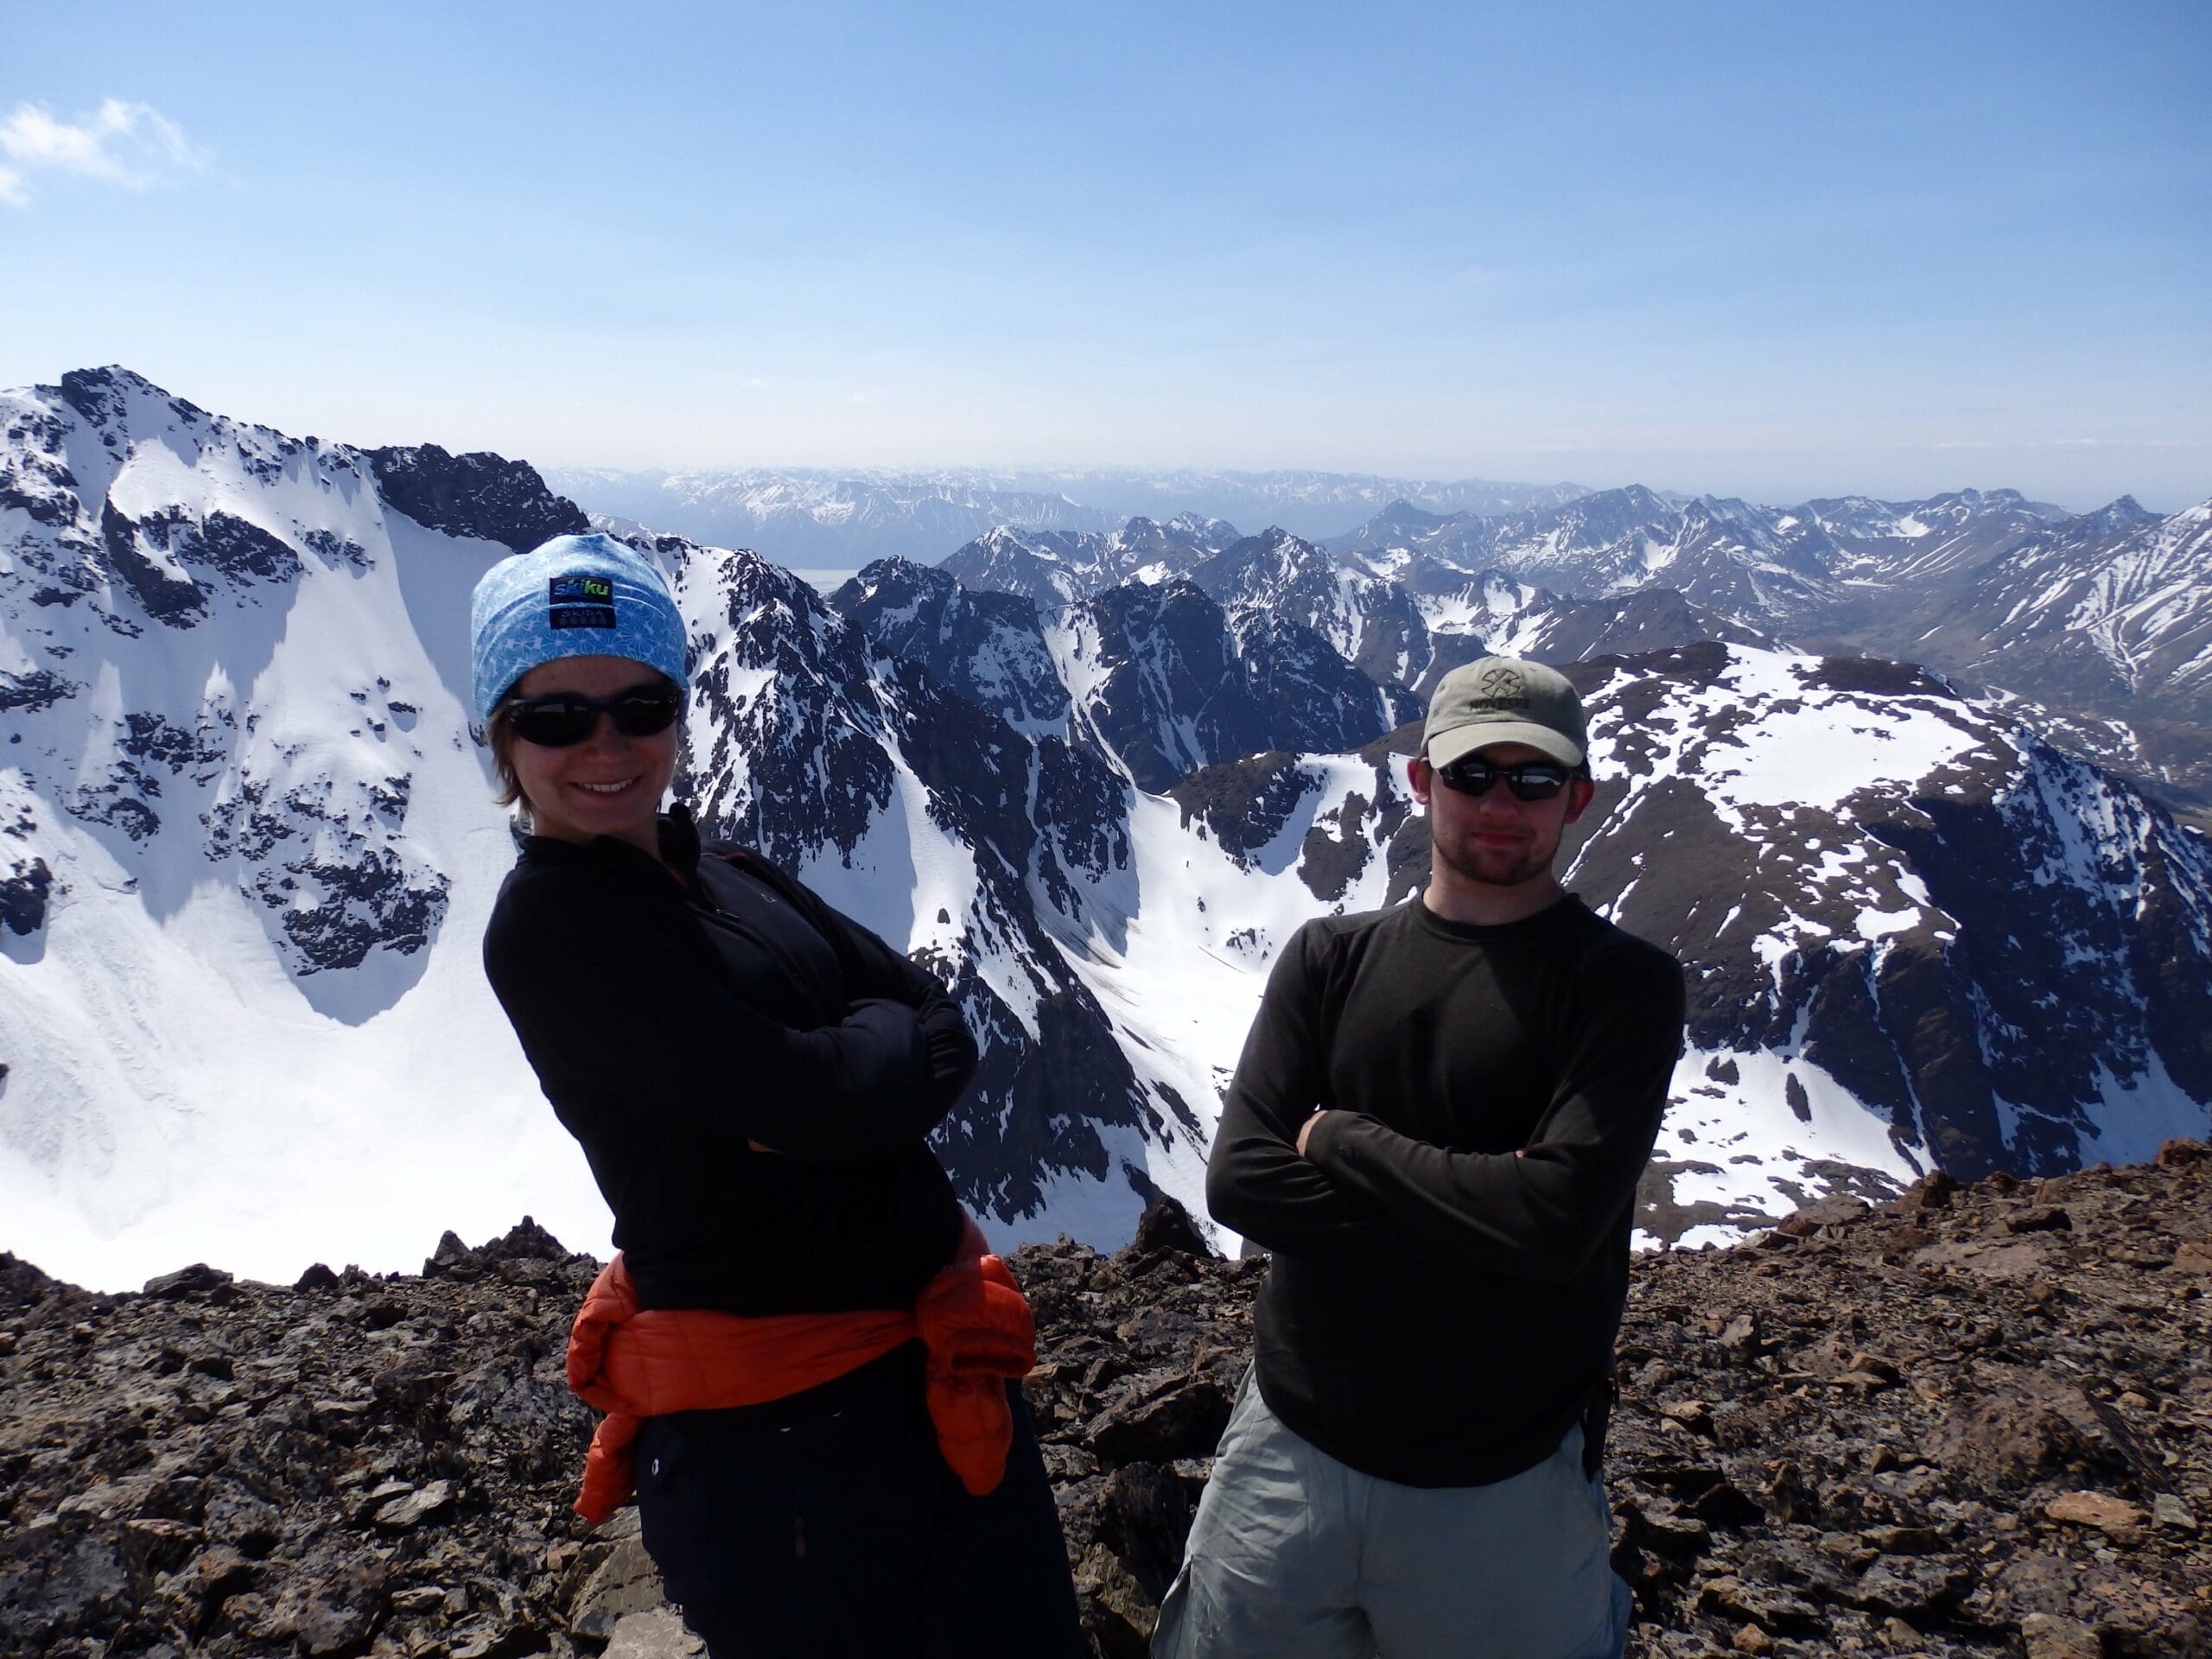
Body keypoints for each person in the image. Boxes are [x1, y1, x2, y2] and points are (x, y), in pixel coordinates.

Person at [470, 532, 1083, 1659]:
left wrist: (849, 1073)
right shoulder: (555, 928)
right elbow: (837, 1095)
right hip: (782, 1444)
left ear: (680, 715)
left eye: (641, 707)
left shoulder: (723, 867)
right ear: (498, 740)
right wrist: (857, 1066)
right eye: (555, 718)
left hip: (931, 1372)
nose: (605, 745)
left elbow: (938, 1023)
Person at [1154, 656, 1686, 1659]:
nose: (1500, 802)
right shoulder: (1327, 958)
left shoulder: (1622, 987)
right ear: (1419, 783)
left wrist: (1343, 1138)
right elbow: (1241, 1183)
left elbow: (1552, 1224)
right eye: (1471, 774)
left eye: (1533, 781)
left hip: (1501, 1483)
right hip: (1287, 1455)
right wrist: (1488, 1217)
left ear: (1577, 798)